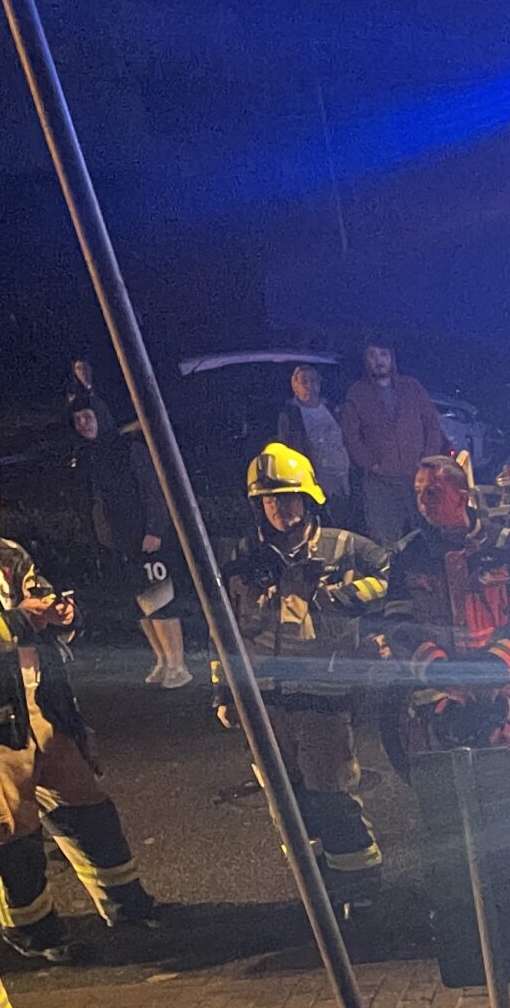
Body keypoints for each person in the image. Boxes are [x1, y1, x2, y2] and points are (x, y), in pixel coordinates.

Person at [0, 470, 158, 963]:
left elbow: (42, 595)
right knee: (15, 833)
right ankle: (35, 933)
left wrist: (63, 615)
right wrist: (21, 619)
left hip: (43, 706)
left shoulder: (9, 555)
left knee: (88, 806)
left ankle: (126, 903)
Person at [223, 444, 389, 911]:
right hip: (265, 701)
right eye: (269, 499)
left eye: (288, 497)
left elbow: (393, 574)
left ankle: (360, 891)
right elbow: (225, 628)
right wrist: (223, 691)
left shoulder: (345, 547)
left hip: (323, 697)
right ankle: (316, 892)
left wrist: (346, 597)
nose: (280, 507)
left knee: (331, 796)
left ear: (309, 497)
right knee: (286, 803)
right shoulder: (244, 556)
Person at [69, 396, 190, 687]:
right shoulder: (90, 455)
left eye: (88, 417)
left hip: (146, 539)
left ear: (101, 416)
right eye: (77, 420)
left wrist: (155, 531)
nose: (83, 424)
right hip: (118, 544)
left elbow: (153, 490)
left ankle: (178, 665)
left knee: (160, 601)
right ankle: (161, 659)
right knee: (140, 605)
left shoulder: (129, 449)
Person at [339, 340, 448, 544]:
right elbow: (350, 435)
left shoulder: (411, 387)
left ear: (392, 358)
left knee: (428, 535)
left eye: (383, 354)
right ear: (365, 360)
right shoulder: (358, 393)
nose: (379, 361)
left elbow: (432, 424)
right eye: (372, 355)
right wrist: (371, 463)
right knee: (386, 541)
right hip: (380, 484)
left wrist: (427, 459)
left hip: (418, 480)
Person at [275, 364, 353, 523]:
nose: (309, 386)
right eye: (304, 382)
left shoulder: (331, 408)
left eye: (313, 381)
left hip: (343, 478)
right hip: (316, 481)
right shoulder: (290, 415)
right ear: (295, 386)